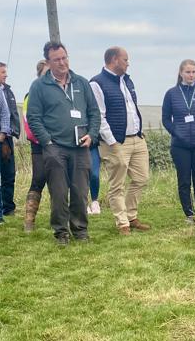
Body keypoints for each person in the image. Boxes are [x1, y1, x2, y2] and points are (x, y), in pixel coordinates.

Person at [27, 41, 101, 245]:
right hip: (55, 147)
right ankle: (61, 233)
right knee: (59, 193)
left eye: (64, 57)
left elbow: (94, 112)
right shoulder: (39, 86)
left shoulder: (81, 83)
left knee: (80, 191)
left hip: (80, 147)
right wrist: (47, 142)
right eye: (56, 59)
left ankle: (80, 230)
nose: (62, 62)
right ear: (48, 62)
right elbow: (33, 117)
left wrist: (92, 134)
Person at [89, 46, 151, 235]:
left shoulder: (127, 81)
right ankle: (122, 222)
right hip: (115, 142)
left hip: (136, 139)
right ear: (114, 60)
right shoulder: (97, 83)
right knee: (117, 183)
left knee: (142, 178)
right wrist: (113, 142)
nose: (128, 63)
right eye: (125, 60)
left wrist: (140, 131)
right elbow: (99, 117)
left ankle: (131, 216)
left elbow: (131, 108)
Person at [162, 60, 195, 222]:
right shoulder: (171, 93)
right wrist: (176, 132)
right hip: (180, 146)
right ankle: (189, 214)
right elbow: (165, 119)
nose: (191, 75)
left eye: (193, 72)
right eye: (187, 72)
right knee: (184, 181)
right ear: (181, 73)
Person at [0, 61, 20, 222]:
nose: (5, 74)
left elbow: (8, 113)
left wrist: (5, 133)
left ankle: (7, 208)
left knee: (8, 174)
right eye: (2, 72)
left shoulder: (6, 91)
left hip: (4, 139)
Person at [22, 59, 49, 232]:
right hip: (39, 145)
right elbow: (28, 124)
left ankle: (61, 218)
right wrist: (44, 139)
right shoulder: (30, 95)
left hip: (59, 145)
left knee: (60, 182)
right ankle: (29, 220)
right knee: (38, 179)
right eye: (47, 73)